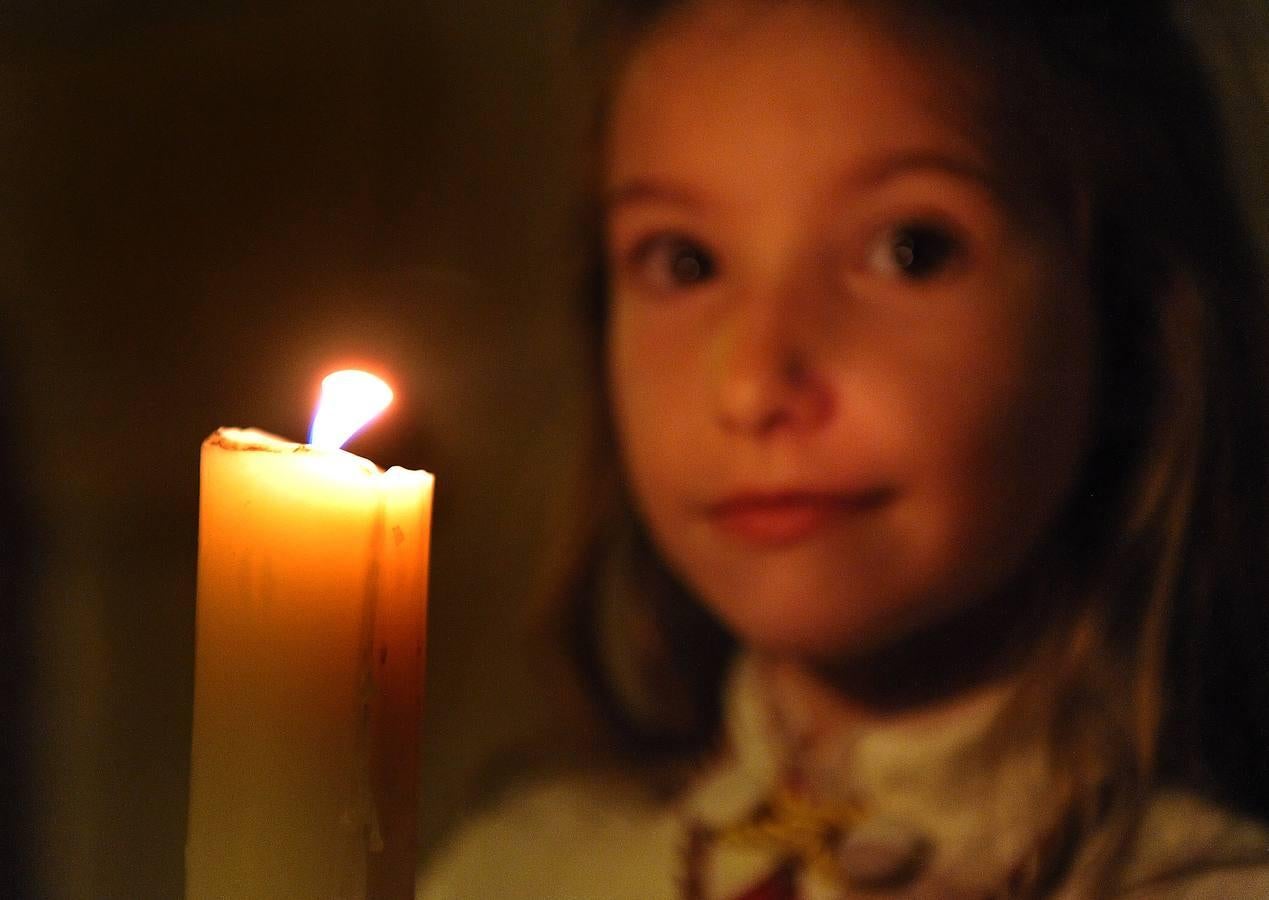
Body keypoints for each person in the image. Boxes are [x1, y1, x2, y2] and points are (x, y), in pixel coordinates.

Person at [418, 1, 1269, 897]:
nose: (748, 386)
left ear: (1130, 314)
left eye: (911, 250)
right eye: (683, 262)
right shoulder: (518, 867)